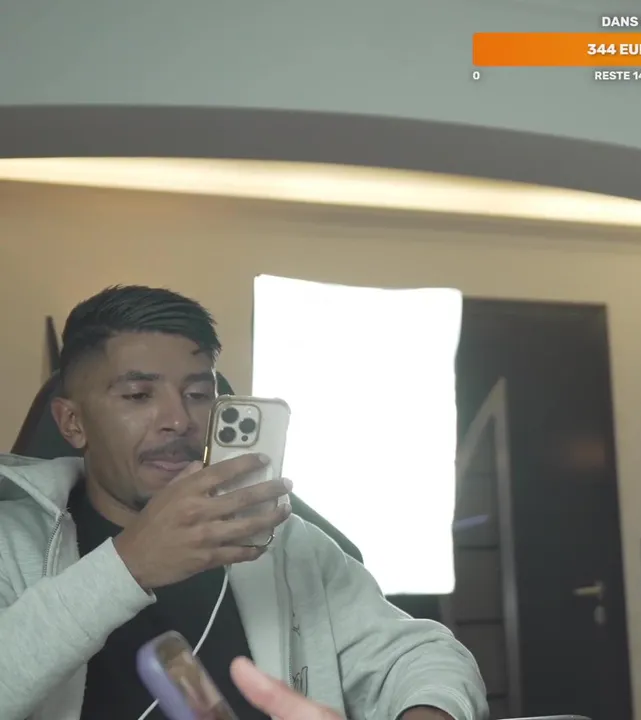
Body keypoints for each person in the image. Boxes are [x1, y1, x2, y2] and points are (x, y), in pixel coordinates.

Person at [0, 285, 486, 720]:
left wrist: (428, 711)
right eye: (138, 395)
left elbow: (418, 654)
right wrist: (129, 566)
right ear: (72, 423)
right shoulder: (11, 543)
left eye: (198, 393)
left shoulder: (281, 542)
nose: (179, 419)